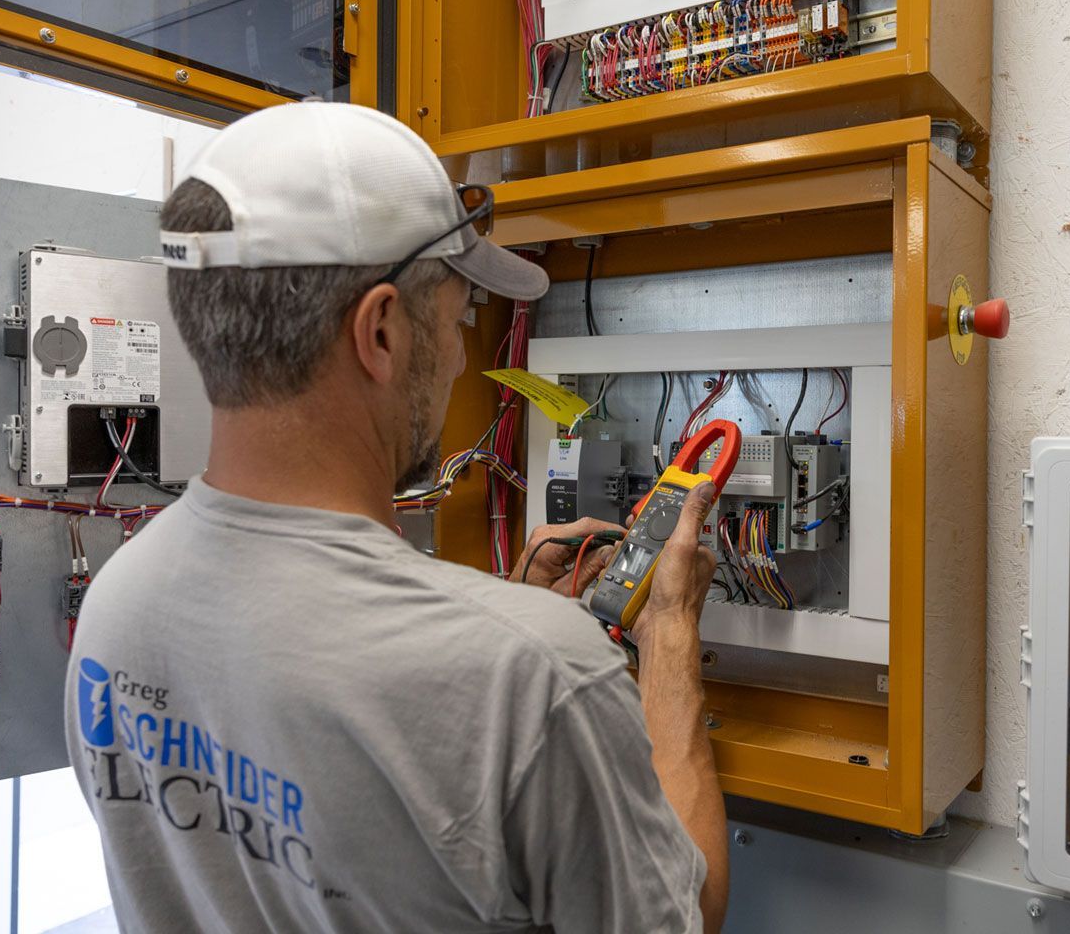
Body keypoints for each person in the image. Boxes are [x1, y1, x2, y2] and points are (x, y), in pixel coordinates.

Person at [64, 101, 729, 933]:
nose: (458, 358)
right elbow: (686, 913)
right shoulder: (533, 677)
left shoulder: (118, 601)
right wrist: (669, 637)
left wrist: (498, 618)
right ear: (379, 332)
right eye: (456, 321)